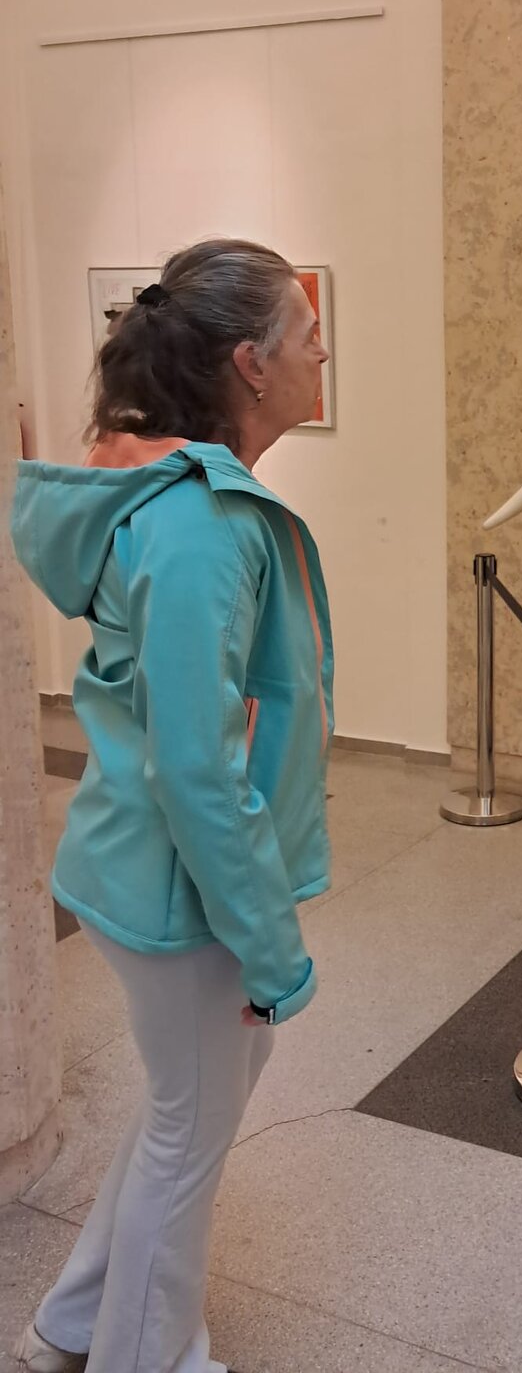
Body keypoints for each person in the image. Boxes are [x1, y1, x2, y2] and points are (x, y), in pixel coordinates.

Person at [10, 239, 335, 1373]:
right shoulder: (202, 527)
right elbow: (201, 770)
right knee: (189, 1130)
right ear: (251, 363)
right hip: (178, 889)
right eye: (306, 335)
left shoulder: (192, 505)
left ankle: (69, 1323)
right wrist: (270, 949)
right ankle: (149, 1354)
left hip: (150, 867)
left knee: (183, 1115)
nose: (322, 352)